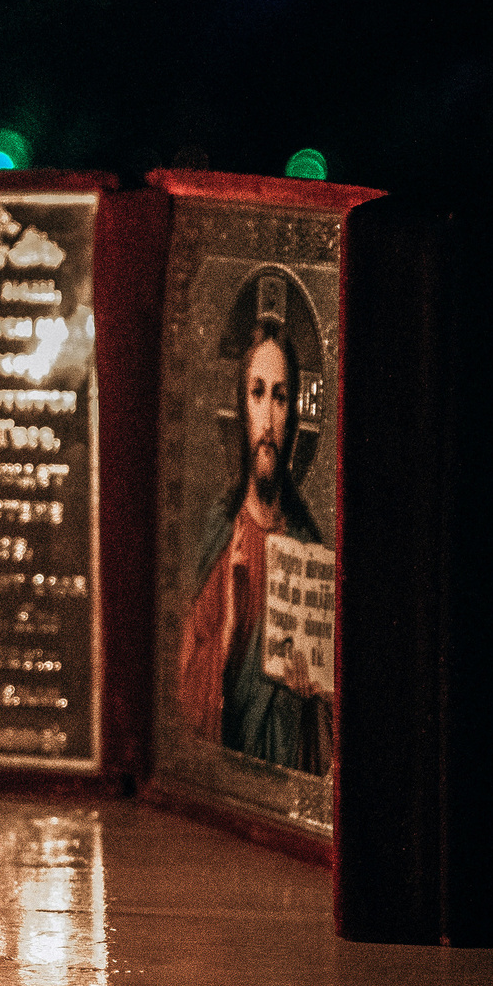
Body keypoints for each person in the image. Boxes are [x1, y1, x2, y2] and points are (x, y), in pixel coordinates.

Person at [175, 313, 331, 774]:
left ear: (293, 414)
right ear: (242, 407)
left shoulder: (308, 546)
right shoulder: (217, 537)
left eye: (280, 398)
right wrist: (224, 634)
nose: (267, 416)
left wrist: (317, 694)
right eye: (257, 393)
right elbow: (183, 697)